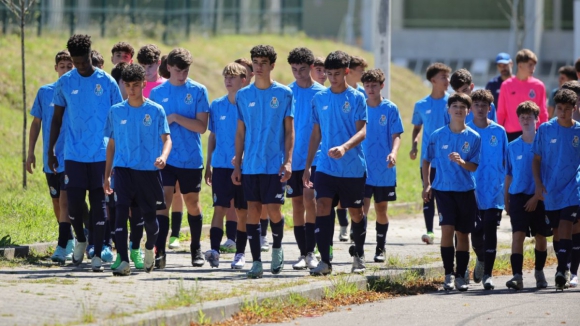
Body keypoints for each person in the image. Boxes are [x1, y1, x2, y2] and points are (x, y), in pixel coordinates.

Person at [48, 34, 123, 272]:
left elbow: (119, 117)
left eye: (83, 61)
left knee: (100, 204)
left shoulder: (108, 82)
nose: (79, 66)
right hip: (73, 154)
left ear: (90, 55)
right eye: (75, 62)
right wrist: (51, 150)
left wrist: (119, 150)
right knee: (74, 206)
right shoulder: (65, 83)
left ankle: (98, 252)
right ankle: (80, 238)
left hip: (101, 153)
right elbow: (57, 119)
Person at [231, 45, 294, 278]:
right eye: (255, 62)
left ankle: (277, 247)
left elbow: (290, 131)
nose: (258, 66)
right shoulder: (243, 95)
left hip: (274, 163)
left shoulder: (285, 93)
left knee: (274, 210)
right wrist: (237, 164)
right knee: (253, 211)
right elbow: (240, 132)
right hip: (250, 166)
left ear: (272, 66)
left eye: (263, 62)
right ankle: (256, 262)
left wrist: (288, 161)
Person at [103, 63, 172, 276]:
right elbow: (111, 144)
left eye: (135, 85)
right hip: (123, 171)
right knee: (120, 214)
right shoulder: (116, 111)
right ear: (123, 85)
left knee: (150, 221)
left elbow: (167, 138)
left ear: (143, 84)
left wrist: (163, 156)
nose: (131, 89)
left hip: (148, 173)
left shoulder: (155, 110)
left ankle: (149, 247)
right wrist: (106, 175)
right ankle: (123, 260)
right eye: (128, 85)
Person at [304, 50, 368, 276]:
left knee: (356, 213)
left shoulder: (357, 98)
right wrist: (307, 166)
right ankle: (325, 261)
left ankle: (358, 254)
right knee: (321, 207)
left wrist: (345, 147)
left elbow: (363, 131)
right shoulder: (319, 98)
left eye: (338, 73)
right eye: (329, 73)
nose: (333, 77)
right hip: (325, 166)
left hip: (352, 167)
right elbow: (315, 134)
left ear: (347, 72)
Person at [149, 48, 210, 269]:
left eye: (185, 70)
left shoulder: (198, 90)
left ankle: (195, 247)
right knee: (163, 201)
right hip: (165, 157)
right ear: (168, 68)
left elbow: (202, 127)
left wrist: (175, 118)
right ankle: (160, 251)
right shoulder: (157, 93)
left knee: (192, 202)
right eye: (177, 70)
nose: (182, 75)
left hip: (190, 157)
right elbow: (153, 126)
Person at [422, 92, 481, 291]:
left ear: (468, 111)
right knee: (447, 229)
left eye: (462, 107)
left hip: (465, 190)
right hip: (443, 189)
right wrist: (427, 184)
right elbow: (426, 160)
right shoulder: (437, 135)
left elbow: (474, 166)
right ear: (448, 110)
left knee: (463, 234)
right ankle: (448, 273)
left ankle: (460, 276)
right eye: (454, 106)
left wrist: (462, 162)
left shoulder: (474, 137)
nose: (458, 109)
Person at [26, 50, 75, 264]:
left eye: (69, 66)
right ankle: (71, 237)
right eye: (61, 66)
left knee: (66, 201)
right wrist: (30, 153)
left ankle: (63, 245)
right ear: (56, 68)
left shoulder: (76, 93)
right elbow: (36, 123)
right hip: (50, 158)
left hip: (71, 157)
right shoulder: (45, 92)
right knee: (56, 200)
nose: (65, 69)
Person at [532, 88, 580, 290]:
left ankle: (563, 269)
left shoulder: (578, 131)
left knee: (566, 226)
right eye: (559, 108)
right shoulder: (544, 129)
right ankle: (563, 266)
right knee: (557, 232)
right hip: (550, 189)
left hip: (573, 188)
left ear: (574, 109)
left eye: (567, 109)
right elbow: (536, 159)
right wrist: (538, 184)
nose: (562, 112)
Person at [204, 62, 249, 269]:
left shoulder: (249, 104)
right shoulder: (216, 105)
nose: (228, 80)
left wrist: (243, 157)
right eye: (226, 77)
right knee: (219, 208)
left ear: (243, 80)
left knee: (241, 211)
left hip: (244, 166)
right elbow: (212, 136)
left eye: (233, 77)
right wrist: (208, 164)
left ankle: (240, 253)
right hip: (221, 166)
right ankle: (214, 251)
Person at [286, 47, 325, 271]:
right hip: (293, 158)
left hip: (317, 157)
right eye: (294, 69)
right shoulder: (287, 92)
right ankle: (302, 253)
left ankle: (312, 251)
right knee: (297, 204)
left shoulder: (321, 93)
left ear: (311, 68)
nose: (298, 73)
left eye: (302, 69)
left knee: (311, 199)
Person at [504, 101, 550, 290]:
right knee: (518, 236)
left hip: (540, 198)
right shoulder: (512, 146)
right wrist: (506, 200)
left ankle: (539, 272)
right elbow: (508, 174)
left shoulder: (545, 143)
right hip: (518, 197)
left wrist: (537, 196)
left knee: (541, 237)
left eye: (529, 117)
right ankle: (517, 276)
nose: (525, 120)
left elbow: (548, 173)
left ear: (537, 119)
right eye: (522, 117)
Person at [466, 89, 508, 290]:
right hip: (471, 191)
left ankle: (488, 275)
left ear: (490, 109)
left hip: (493, 192)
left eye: (484, 105)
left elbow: (506, 162)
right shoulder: (465, 131)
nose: (481, 109)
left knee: (491, 231)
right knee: (475, 233)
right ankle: (481, 258)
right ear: (471, 108)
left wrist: (506, 190)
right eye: (477, 105)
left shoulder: (499, 131)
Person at [361, 68, 404, 263]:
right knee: (361, 208)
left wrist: (393, 152)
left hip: (384, 168)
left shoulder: (390, 108)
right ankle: (359, 248)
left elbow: (397, 135)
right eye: (367, 85)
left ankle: (380, 247)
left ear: (381, 86)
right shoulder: (359, 105)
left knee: (381, 209)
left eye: (374, 86)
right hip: (361, 167)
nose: (370, 89)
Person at [410, 62, 451, 245]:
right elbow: (417, 127)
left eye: (448, 77)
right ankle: (429, 231)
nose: (447, 80)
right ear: (433, 80)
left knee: (445, 195)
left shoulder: (452, 103)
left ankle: (448, 229)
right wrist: (414, 145)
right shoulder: (421, 104)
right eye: (443, 77)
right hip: (428, 158)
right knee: (428, 193)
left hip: (448, 159)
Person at [497, 49, 548, 142]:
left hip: (534, 132)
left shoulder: (539, 85)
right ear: (520, 65)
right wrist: (497, 134)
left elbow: (543, 112)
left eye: (534, 65)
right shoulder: (506, 85)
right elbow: (501, 113)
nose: (533, 68)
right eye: (530, 65)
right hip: (511, 133)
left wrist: (545, 133)